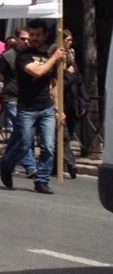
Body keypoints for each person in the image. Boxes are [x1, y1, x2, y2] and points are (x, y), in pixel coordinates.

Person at [0, 18, 67, 195]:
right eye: (32, 34)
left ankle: (41, 180)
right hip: (27, 109)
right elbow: (37, 72)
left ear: (45, 36)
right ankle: (6, 164)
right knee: (24, 144)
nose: (34, 38)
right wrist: (54, 58)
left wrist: (58, 108)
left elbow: (54, 83)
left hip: (46, 108)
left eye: (38, 35)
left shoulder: (49, 54)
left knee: (48, 147)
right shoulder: (23, 55)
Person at [0, 27, 37, 178]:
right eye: (23, 39)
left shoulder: (32, 56)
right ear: (16, 40)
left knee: (18, 133)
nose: (26, 42)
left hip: (28, 101)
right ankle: (30, 166)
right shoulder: (7, 57)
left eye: (28, 39)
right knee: (24, 132)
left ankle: (6, 161)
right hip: (12, 100)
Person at [49, 41, 90, 179]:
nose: (64, 56)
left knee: (65, 137)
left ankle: (55, 166)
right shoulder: (54, 70)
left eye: (66, 54)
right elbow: (59, 86)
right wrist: (67, 74)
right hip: (58, 107)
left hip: (73, 107)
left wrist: (84, 103)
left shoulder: (73, 67)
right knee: (63, 137)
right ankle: (71, 164)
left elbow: (81, 86)